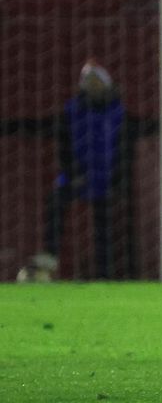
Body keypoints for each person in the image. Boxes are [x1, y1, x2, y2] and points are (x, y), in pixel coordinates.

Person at [41, 61, 133, 280]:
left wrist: (118, 180)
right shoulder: (71, 110)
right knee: (54, 200)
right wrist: (73, 173)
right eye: (88, 82)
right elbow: (63, 146)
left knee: (105, 226)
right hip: (76, 176)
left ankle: (105, 274)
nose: (93, 87)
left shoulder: (119, 113)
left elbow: (124, 151)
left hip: (106, 179)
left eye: (97, 82)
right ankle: (50, 255)